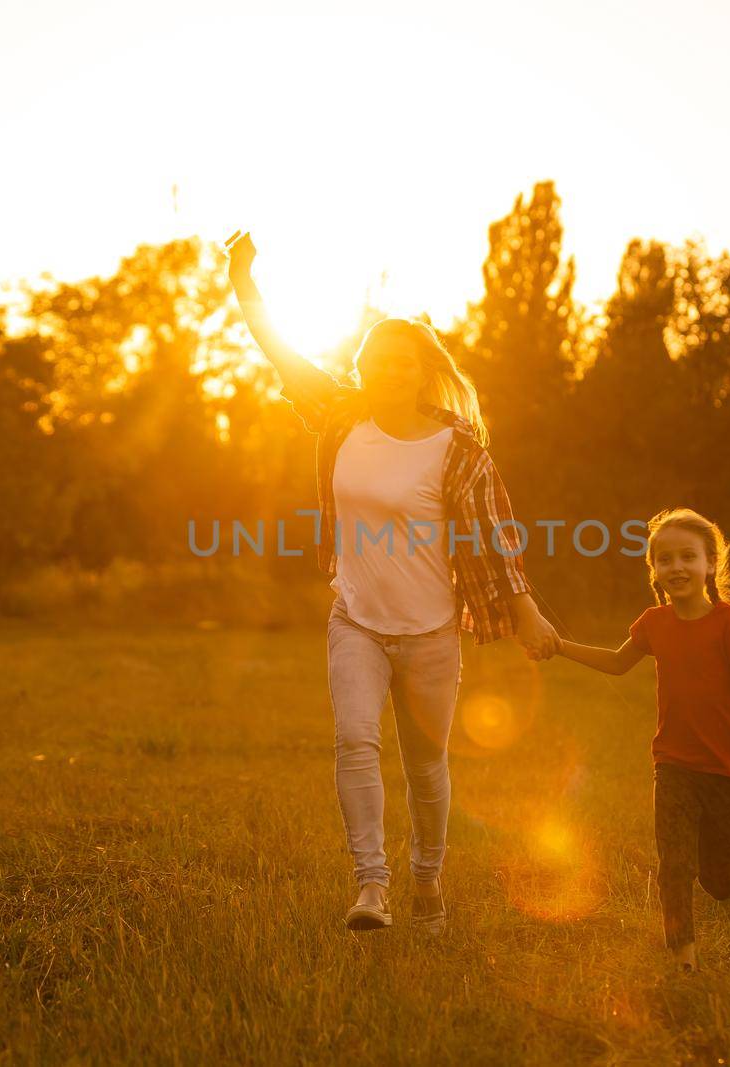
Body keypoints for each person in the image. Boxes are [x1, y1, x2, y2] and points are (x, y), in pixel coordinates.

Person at [223, 230, 558, 934]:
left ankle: (427, 882)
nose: (386, 374)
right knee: (354, 739)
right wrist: (243, 282)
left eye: (400, 365)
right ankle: (370, 886)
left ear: (420, 371)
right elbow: (279, 351)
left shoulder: (457, 446)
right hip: (357, 618)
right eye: (375, 362)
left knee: (427, 769)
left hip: (432, 630)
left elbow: (496, 534)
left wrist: (525, 611)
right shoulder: (341, 415)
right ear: (363, 366)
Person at [551, 507, 730, 970]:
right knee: (674, 863)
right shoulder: (653, 623)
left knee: (720, 879)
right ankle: (684, 957)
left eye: (687, 556)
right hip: (673, 765)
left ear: (710, 564)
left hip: (727, 769)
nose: (676, 567)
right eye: (664, 559)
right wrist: (560, 646)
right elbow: (615, 662)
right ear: (654, 570)